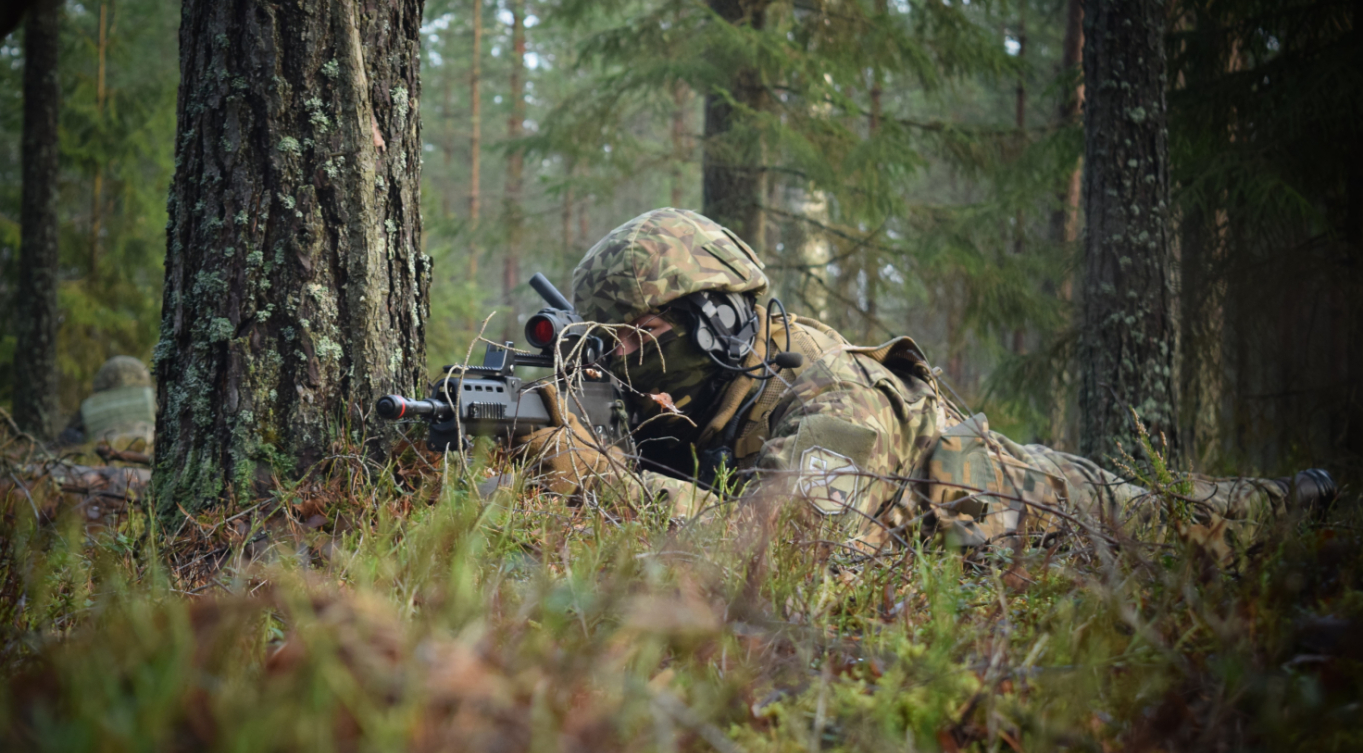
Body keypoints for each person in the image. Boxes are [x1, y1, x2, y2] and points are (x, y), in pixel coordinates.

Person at [521, 208, 1334, 548]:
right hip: (943, 531)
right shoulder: (697, 385)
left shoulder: (830, 394)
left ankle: (1302, 504)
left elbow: (790, 546)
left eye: (640, 336)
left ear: (719, 320)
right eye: (612, 341)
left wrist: (606, 483)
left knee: (1190, 527)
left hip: (1026, 513)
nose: (624, 358)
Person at [59, 356, 157, 451]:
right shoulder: (152, 396)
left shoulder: (89, 406)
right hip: (148, 453)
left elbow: (68, 437)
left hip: (102, 457)